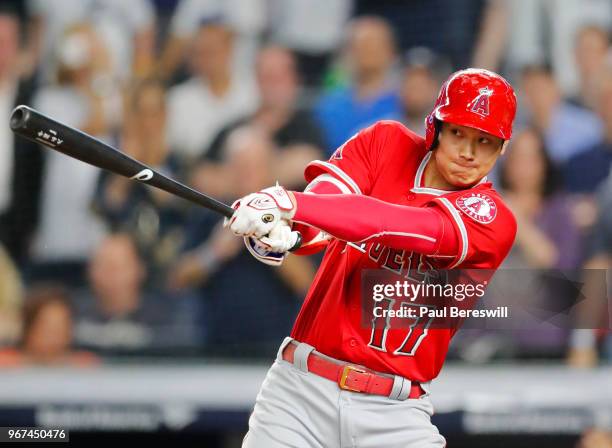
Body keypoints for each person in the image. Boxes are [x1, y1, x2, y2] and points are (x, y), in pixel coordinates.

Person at [227, 68, 518, 447]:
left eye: (484, 140)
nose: (467, 152)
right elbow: (327, 205)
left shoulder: (492, 218)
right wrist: (285, 234)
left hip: (395, 414)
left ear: (502, 147)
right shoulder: (386, 141)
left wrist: (291, 202)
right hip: (299, 395)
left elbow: (397, 225)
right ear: (436, 127)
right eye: (458, 132)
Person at [0, 285, 99, 367]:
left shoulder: (84, 365)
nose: (54, 335)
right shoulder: (5, 363)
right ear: (29, 326)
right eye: (47, 327)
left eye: (61, 327)